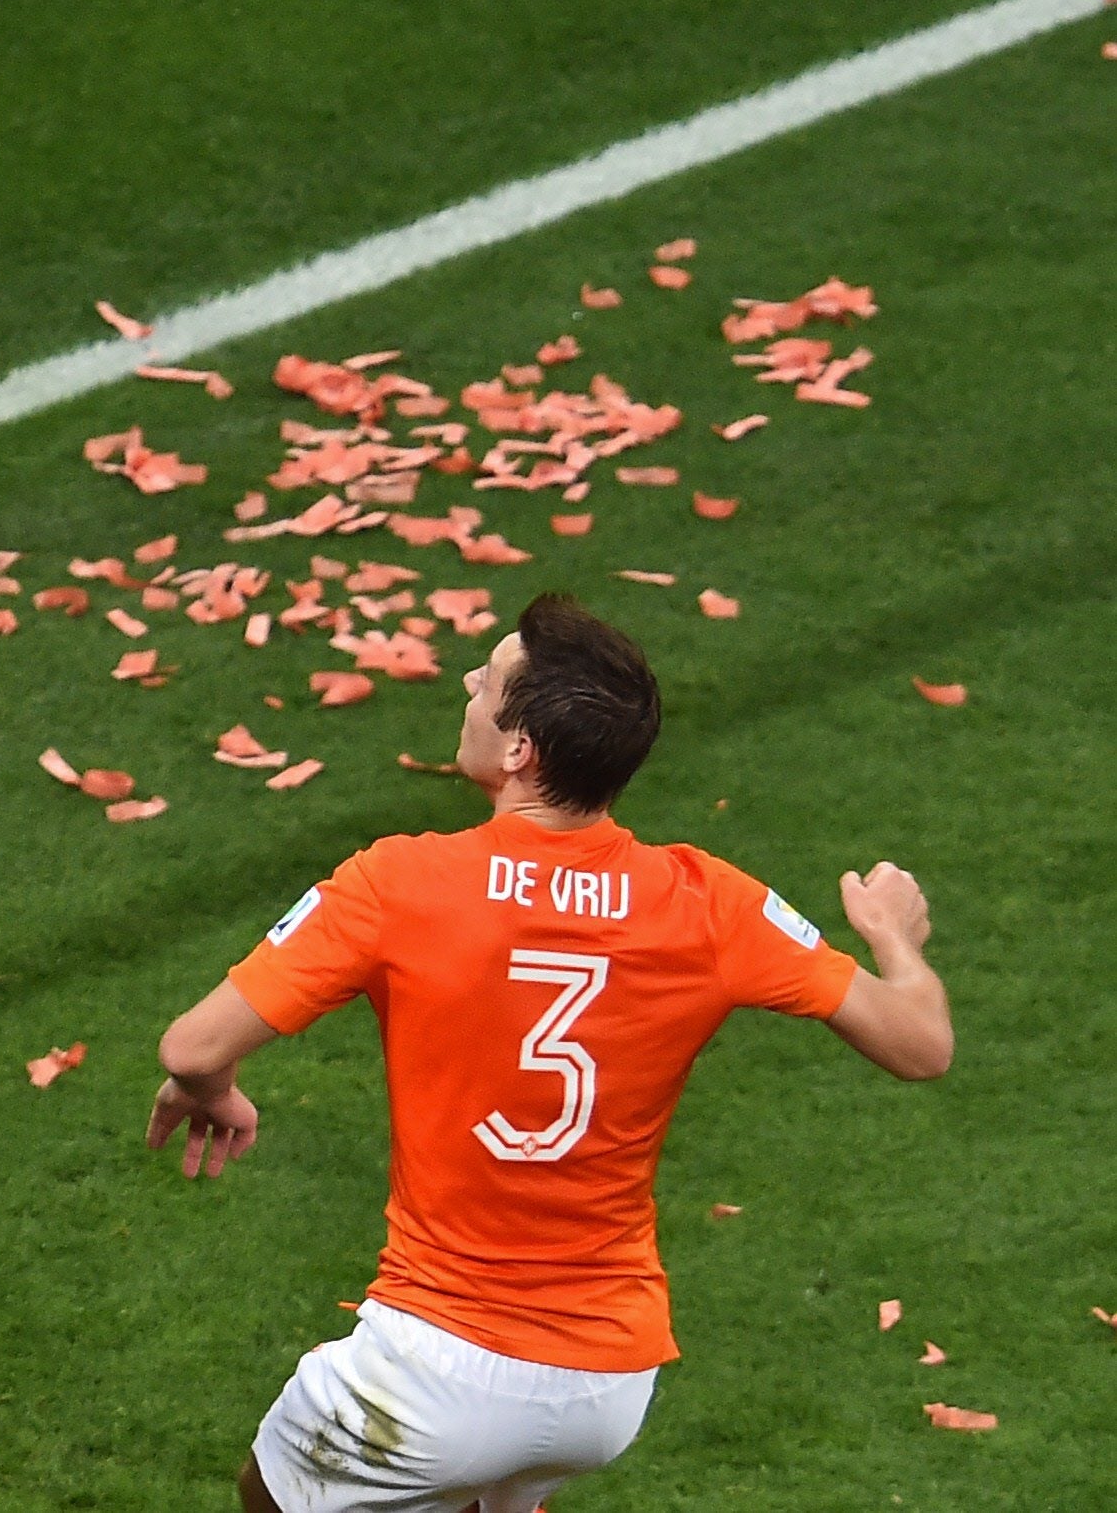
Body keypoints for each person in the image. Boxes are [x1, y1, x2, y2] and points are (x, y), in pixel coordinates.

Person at [146, 594, 955, 1513]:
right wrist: (896, 939)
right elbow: (921, 1045)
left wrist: (213, 1089)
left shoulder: (399, 882)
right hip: (606, 1383)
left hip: (434, 1364)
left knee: (270, 1494)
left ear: (521, 748)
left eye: (487, 682)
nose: (466, 685)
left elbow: (192, 1045)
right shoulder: (711, 903)